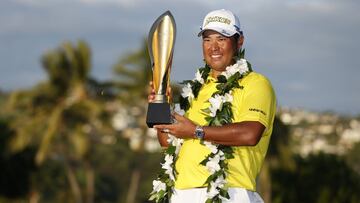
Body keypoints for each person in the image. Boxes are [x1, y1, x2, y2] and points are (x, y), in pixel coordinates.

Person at [148, 9, 276, 203]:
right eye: (207, 39)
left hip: (229, 193)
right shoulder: (195, 90)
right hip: (181, 194)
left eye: (221, 39)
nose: (213, 47)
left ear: (239, 41)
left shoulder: (256, 83)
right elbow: (167, 142)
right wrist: (162, 104)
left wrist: (196, 131)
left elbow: (250, 134)